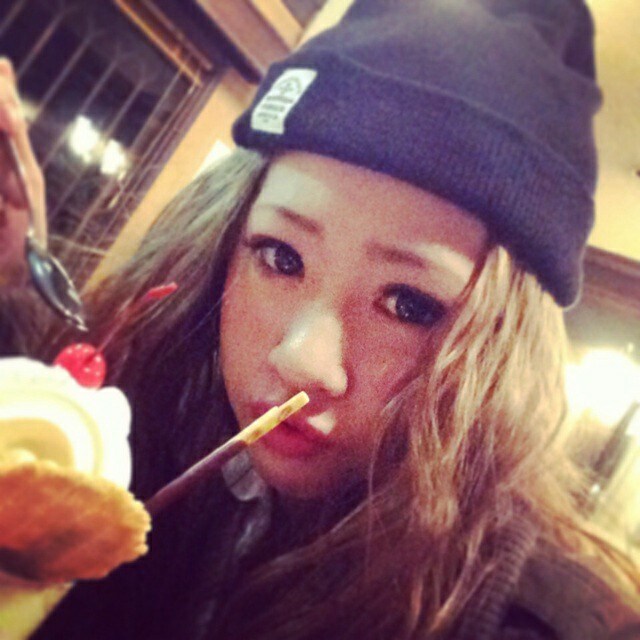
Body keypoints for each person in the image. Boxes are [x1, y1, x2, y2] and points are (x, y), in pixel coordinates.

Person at [15, 0, 640, 638]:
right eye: (280, 256)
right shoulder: (138, 429)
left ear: (497, 354)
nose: (302, 360)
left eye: (409, 304)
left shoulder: (525, 622)